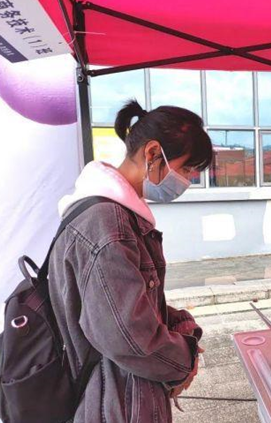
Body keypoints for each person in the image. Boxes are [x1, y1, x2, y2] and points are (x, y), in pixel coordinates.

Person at [48, 100, 213, 423]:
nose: (188, 180)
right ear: (152, 153)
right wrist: (184, 359)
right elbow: (129, 337)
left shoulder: (115, 215)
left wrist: (181, 325)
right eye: (186, 169)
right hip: (119, 404)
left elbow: (127, 305)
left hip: (121, 396)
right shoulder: (108, 224)